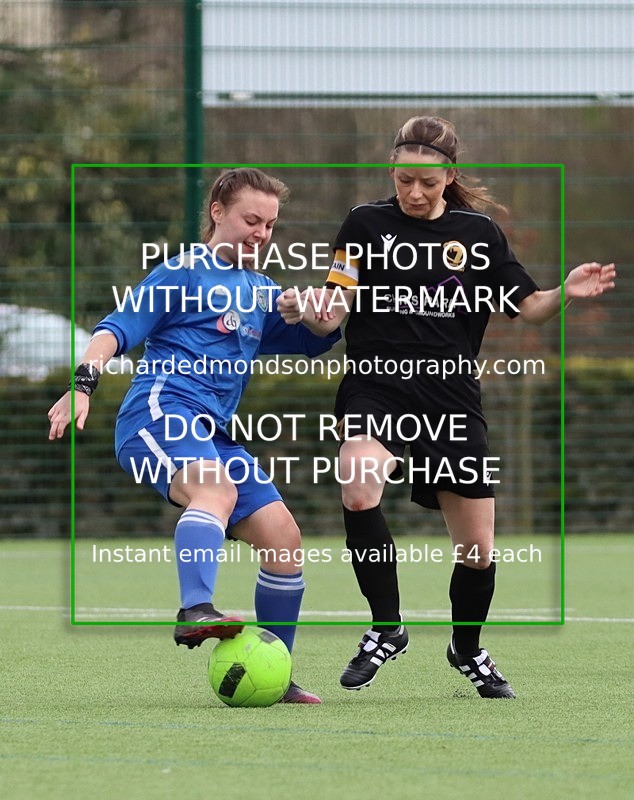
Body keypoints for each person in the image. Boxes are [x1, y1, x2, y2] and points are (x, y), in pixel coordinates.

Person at [277, 116, 616, 699]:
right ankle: (387, 626)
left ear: (448, 177)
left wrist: (566, 293)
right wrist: (305, 307)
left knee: (477, 550)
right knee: (358, 486)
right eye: (405, 180)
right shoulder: (363, 224)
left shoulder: (480, 234)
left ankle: (466, 647)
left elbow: (529, 307)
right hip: (376, 384)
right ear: (392, 172)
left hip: (451, 393)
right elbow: (334, 307)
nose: (414, 192)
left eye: (427, 184)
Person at [48, 167, 341, 704]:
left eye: (271, 225)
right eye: (251, 219)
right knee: (216, 490)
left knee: (284, 537)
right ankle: (194, 610)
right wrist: (82, 385)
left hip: (212, 433)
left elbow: (314, 338)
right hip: (158, 415)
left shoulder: (260, 290)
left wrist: (318, 313)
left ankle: (273, 667)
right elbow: (115, 329)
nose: (261, 234)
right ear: (217, 212)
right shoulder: (182, 273)